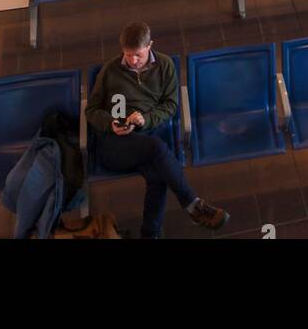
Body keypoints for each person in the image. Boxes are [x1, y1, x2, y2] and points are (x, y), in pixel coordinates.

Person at [86, 21, 228, 240]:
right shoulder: (110, 71)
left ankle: (150, 234)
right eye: (128, 54)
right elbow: (92, 111)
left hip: (146, 136)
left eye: (138, 55)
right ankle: (192, 204)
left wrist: (146, 119)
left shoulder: (165, 66)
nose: (132, 61)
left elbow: (170, 105)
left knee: (158, 174)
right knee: (157, 151)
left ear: (149, 45)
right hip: (114, 144)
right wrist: (111, 123)